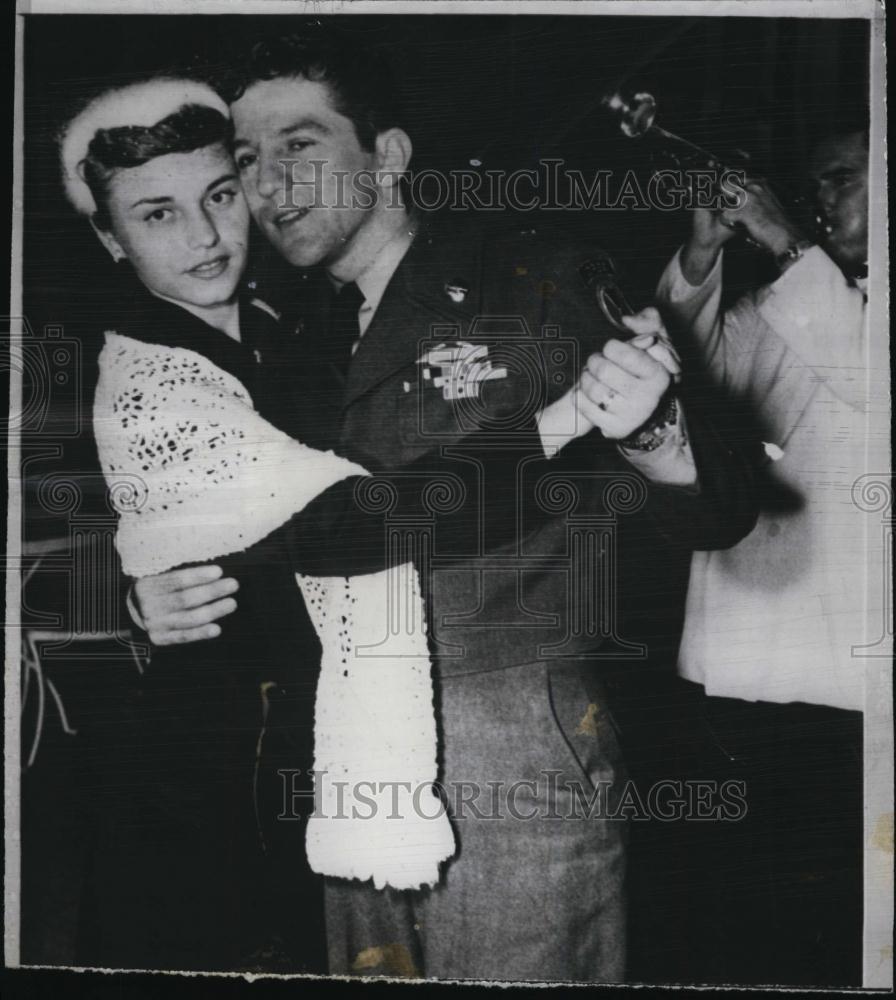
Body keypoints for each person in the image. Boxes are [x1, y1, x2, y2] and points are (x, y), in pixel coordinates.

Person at [131, 30, 757, 982]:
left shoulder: (534, 277)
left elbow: (718, 514)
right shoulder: (283, 350)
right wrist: (149, 600)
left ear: (386, 156)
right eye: (249, 161)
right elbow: (287, 544)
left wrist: (652, 430)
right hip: (343, 742)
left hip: (509, 741)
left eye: (300, 147)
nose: (269, 187)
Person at [60, 75, 642, 974]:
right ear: (109, 237)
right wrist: (563, 422)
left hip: (323, 754)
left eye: (219, 195)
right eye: (157, 215)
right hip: (205, 783)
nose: (208, 235)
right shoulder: (152, 375)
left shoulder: (293, 325)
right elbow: (348, 526)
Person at [653, 116, 884, 985]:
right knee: (738, 894)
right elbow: (690, 369)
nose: (821, 199)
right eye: (815, 182)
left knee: (835, 904)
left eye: (843, 178)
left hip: (845, 668)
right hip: (746, 639)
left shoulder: (817, 284)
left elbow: (871, 379)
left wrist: (788, 241)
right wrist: (704, 253)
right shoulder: (798, 292)